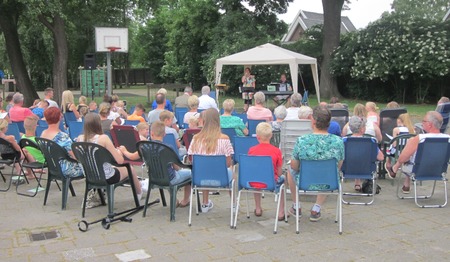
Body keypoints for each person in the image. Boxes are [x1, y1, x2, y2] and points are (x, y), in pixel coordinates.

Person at [288, 105, 344, 221]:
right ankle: (316, 208)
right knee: (329, 171)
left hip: (305, 181)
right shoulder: (338, 141)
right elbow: (338, 166)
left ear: (313, 120)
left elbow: (294, 166)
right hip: (329, 181)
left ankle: (296, 205)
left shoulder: (302, 141)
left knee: (290, 169)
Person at [119, 121, 191, 207]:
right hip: (170, 178)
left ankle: (175, 200)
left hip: (154, 178)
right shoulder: (167, 148)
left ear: (151, 133)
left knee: (167, 173)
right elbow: (176, 167)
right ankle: (185, 201)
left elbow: (131, 157)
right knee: (188, 173)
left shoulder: (144, 147)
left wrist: (124, 150)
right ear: (164, 134)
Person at [77, 113, 146, 200]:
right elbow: (120, 161)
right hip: (107, 177)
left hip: (90, 176)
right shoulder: (103, 138)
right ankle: (139, 192)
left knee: (110, 166)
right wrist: (120, 152)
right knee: (129, 168)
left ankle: (140, 186)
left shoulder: (79, 139)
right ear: (98, 124)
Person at [187, 108, 234, 213]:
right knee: (232, 168)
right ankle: (233, 203)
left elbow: (191, 159)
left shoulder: (195, 138)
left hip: (200, 177)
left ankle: (205, 203)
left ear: (204, 120)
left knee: (204, 167)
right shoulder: (225, 139)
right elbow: (228, 163)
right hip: (222, 177)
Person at [392, 111, 450, 194]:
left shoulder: (419, 138)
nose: (422, 123)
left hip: (418, 170)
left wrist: (398, 163)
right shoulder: (447, 139)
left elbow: (402, 159)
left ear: (430, 124)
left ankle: (397, 173)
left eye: (424, 121)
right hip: (439, 171)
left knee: (404, 161)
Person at [248, 122, 286, 219]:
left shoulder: (251, 150)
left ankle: (257, 208)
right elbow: (279, 171)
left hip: (254, 181)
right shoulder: (277, 151)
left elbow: (251, 169)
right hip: (271, 182)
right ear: (271, 136)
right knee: (282, 180)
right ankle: (281, 211)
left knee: (256, 177)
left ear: (257, 136)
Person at [40, 107, 84, 179]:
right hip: (66, 168)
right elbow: (75, 156)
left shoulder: (43, 134)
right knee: (92, 167)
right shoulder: (62, 136)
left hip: (53, 167)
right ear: (59, 117)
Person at [344, 116, 384, 191]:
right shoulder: (370, 142)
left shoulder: (344, 142)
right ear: (362, 129)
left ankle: (357, 183)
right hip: (367, 170)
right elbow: (381, 157)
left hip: (347, 170)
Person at [384, 113, 416, 178]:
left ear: (399, 120)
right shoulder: (412, 130)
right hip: (408, 153)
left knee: (390, 148)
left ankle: (388, 164)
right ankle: (394, 166)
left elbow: (394, 144)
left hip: (397, 152)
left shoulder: (396, 129)